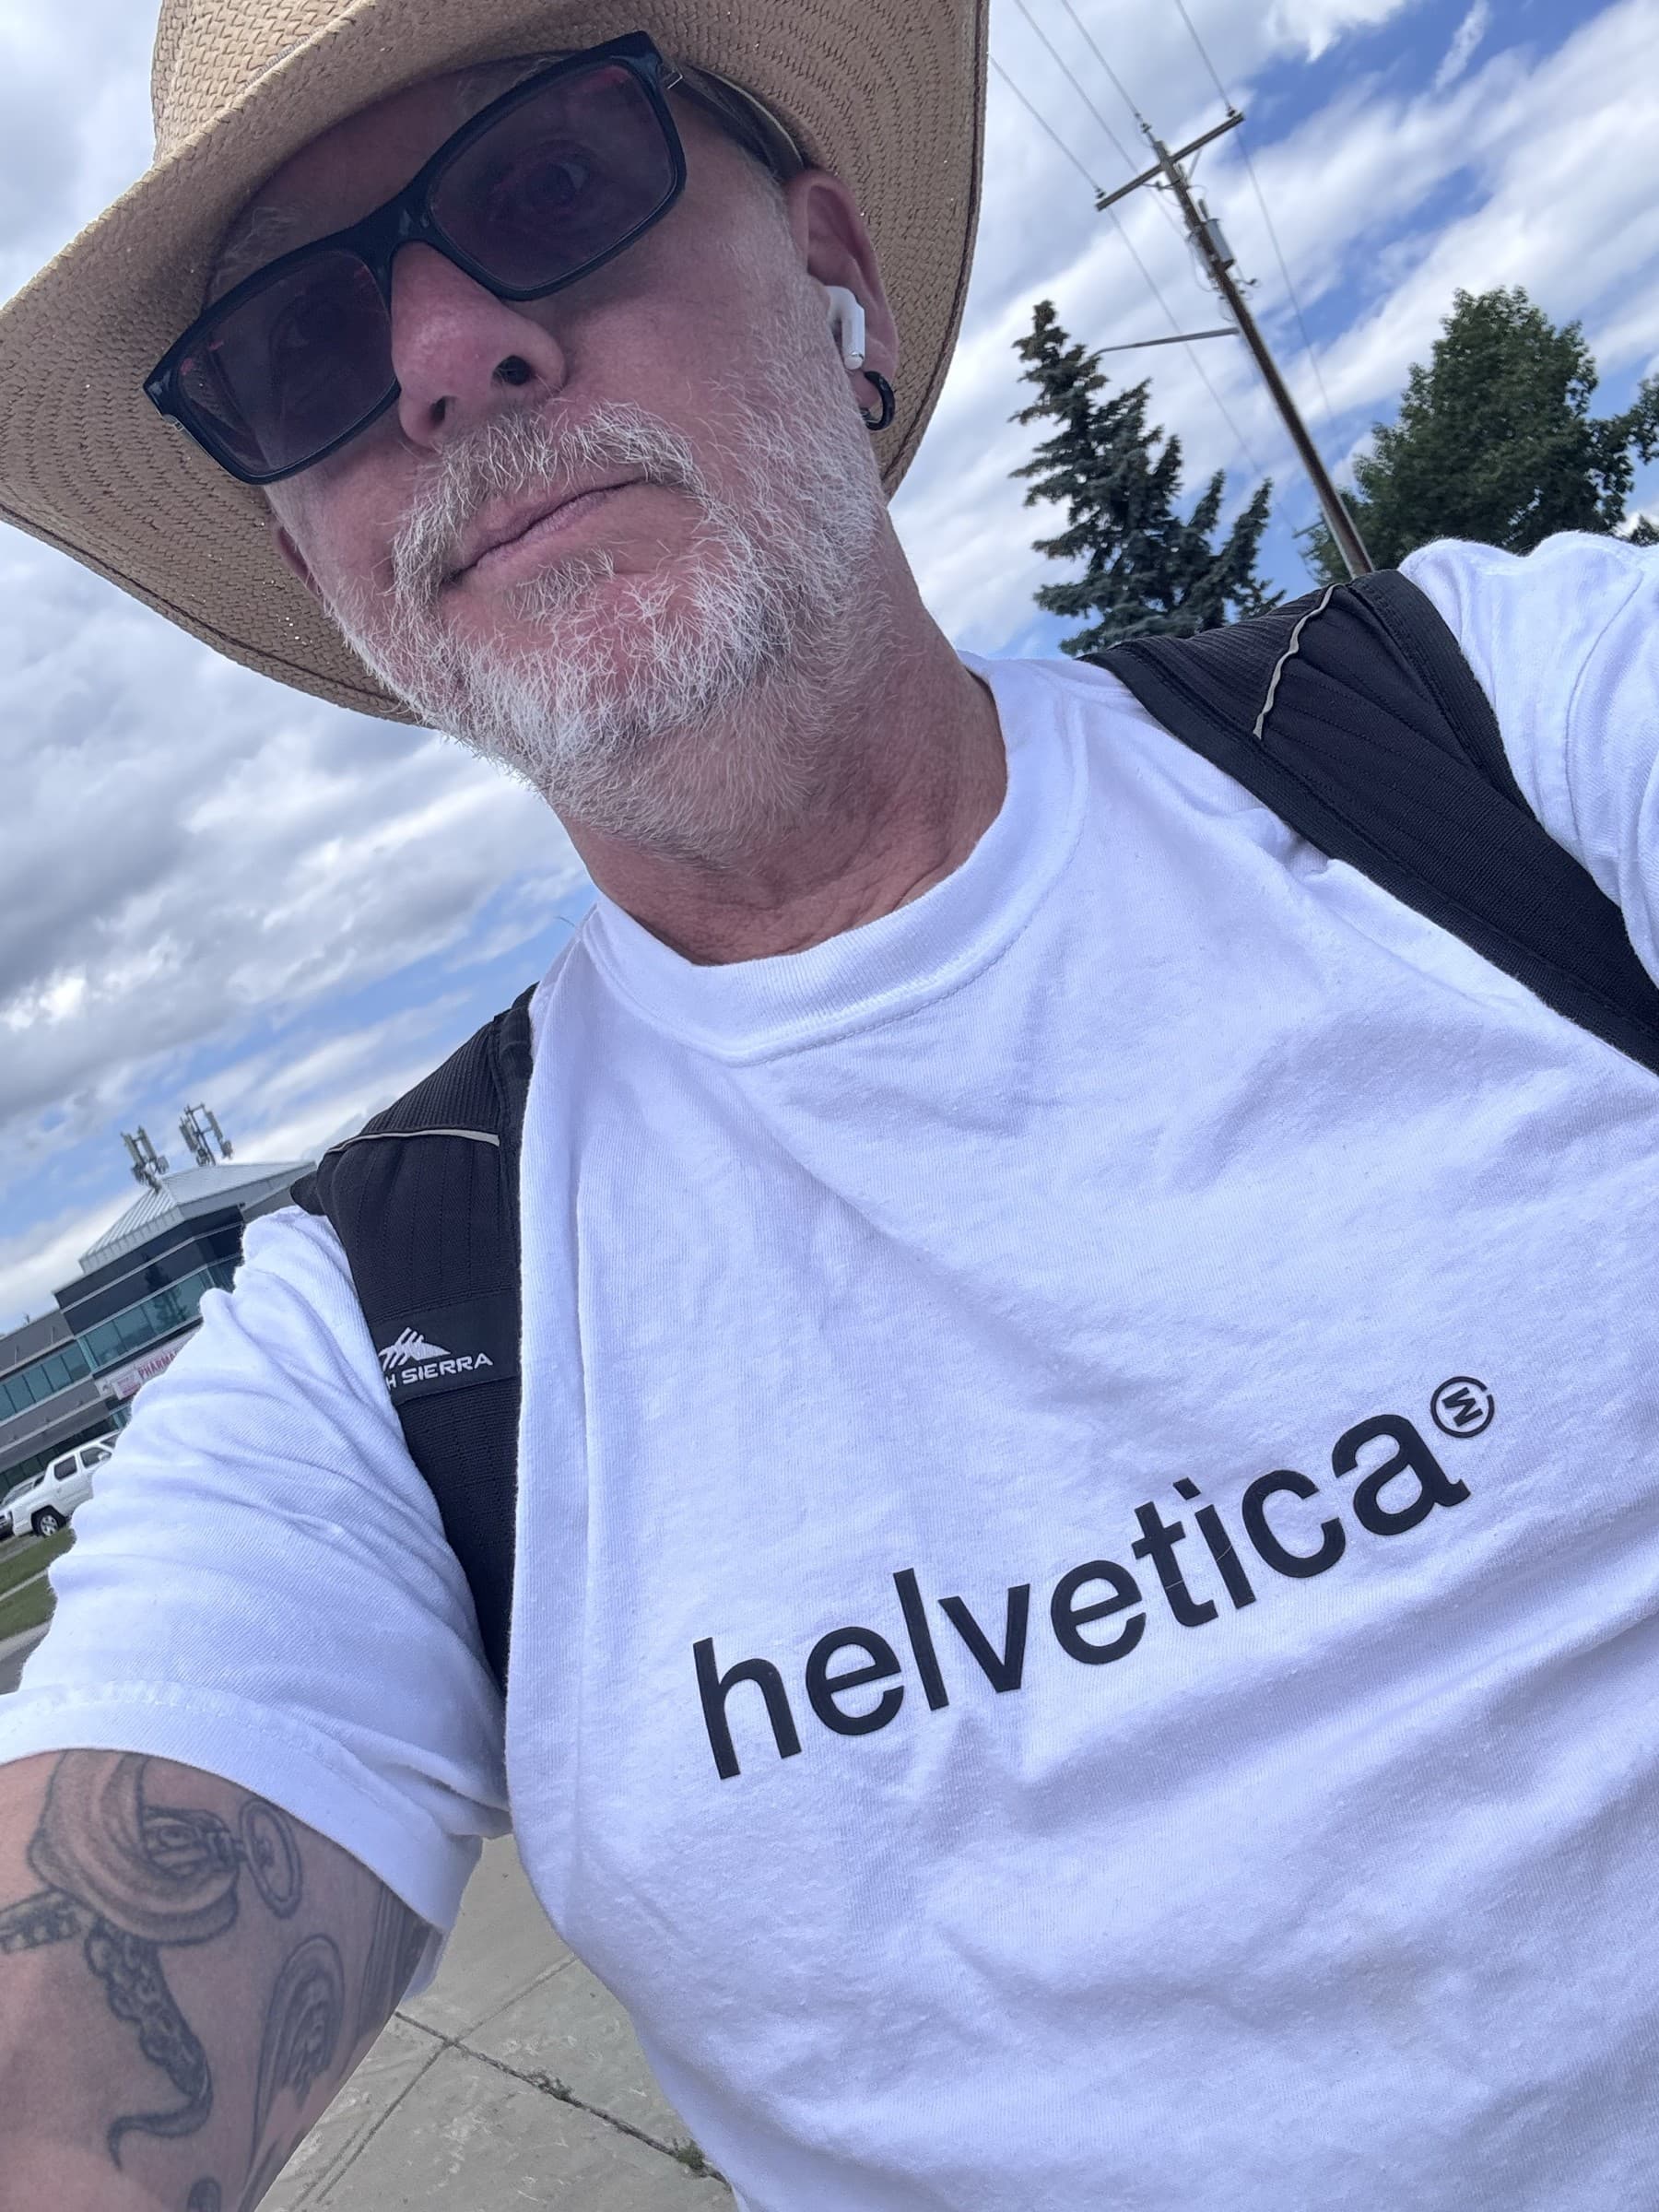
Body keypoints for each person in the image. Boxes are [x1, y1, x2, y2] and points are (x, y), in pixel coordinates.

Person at [0, 0, 1656, 2206]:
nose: (440, 356)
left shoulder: (1505, 735)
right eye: (297, 352)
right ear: (319, 556)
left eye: (545, 187)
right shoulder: (386, 1338)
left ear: (832, 270)